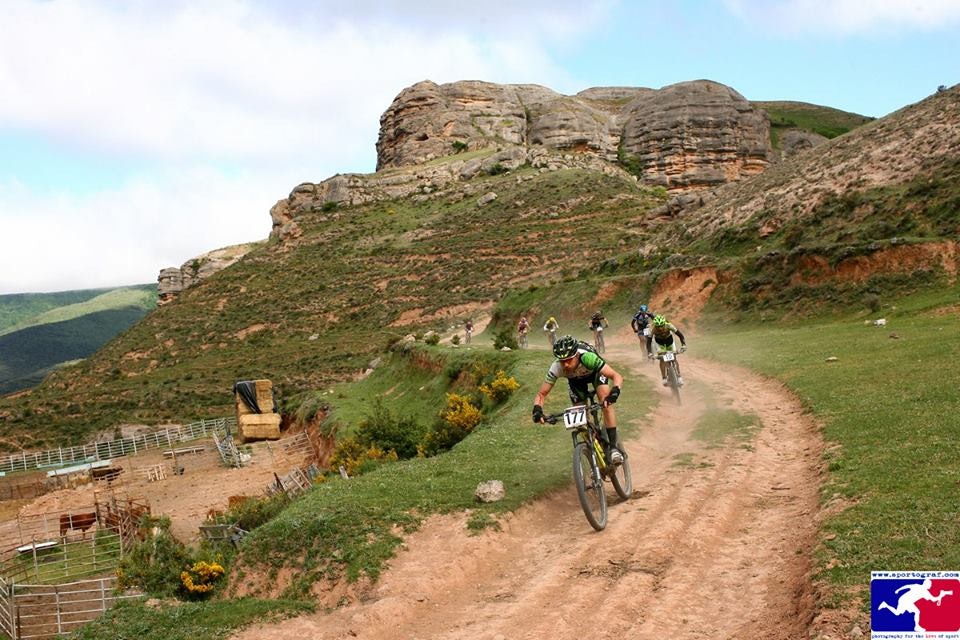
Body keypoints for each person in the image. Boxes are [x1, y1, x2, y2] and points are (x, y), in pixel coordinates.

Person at [531, 335, 624, 464]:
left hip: (595, 374)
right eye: (562, 361)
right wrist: (537, 409)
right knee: (580, 418)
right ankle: (592, 453)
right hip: (575, 382)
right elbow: (541, 394)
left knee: (605, 402)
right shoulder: (557, 367)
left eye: (569, 360)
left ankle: (614, 448)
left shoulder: (587, 358)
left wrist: (615, 391)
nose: (566, 364)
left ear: (576, 355)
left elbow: (616, 376)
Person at [651, 315, 687, 386]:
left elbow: (680, 335)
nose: (660, 328)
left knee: (674, 357)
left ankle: (679, 377)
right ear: (655, 326)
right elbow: (648, 342)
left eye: (662, 326)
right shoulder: (653, 330)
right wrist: (649, 353)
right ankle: (664, 378)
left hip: (669, 342)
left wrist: (683, 345)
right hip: (659, 344)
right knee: (662, 359)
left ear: (664, 324)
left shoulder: (669, 326)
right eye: (658, 327)